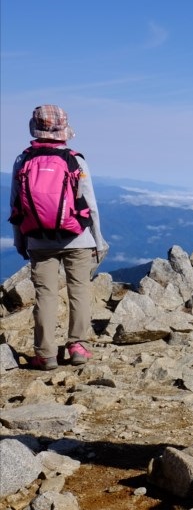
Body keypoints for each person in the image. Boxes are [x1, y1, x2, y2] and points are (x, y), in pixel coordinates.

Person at [10, 105, 108, 370]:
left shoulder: (23, 161)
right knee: (80, 291)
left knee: (45, 295)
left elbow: (16, 205)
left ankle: (46, 354)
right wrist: (98, 241)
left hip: (39, 240)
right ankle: (78, 346)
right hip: (78, 238)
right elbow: (91, 203)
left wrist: (21, 241)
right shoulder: (75, 159)